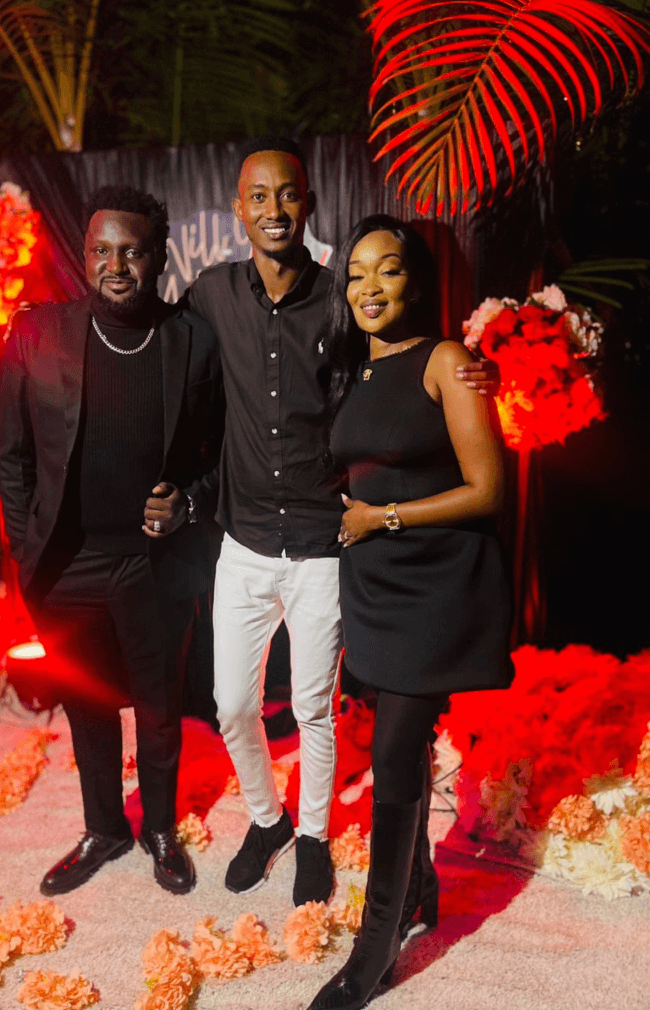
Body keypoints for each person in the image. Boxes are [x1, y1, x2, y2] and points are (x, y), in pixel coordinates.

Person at [186, 136, 498, 908]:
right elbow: (168, 359)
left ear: (310, 203)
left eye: (287, 193)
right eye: (258, 196)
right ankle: (267, 821)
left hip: (327, 542)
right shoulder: (210, 293)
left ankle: (315, 837)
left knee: (313, 708)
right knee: (232, 705)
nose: (274, 209)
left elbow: (403, 360)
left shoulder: (340, 297)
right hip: (244, 540)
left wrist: (478, 370)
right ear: (238, 209)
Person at [306, 214, 513, 1010]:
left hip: (435, 584)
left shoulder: (447, 361)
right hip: (374, 584)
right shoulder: (353, 368)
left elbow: (487, 490)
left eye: (386, 271)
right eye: (356, 273)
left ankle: (374, 947)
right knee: (396, 746)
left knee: (394, 755)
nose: (368, 287)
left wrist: (382, 519)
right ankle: (421, 887)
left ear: (415, 282)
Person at [0, 186, 223, 898]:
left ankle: (160, 829)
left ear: (158, 257)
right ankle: (104, 828)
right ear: (85, 252)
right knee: (86, 705)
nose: (115, 266)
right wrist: (26, 551)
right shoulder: (36, 334)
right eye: (101, 250)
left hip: (154, 565)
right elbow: (12, 458)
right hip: (67, 566)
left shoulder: (192, 340)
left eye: (131, 251)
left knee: (158, 708)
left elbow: (221, 455)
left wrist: (188, 502)